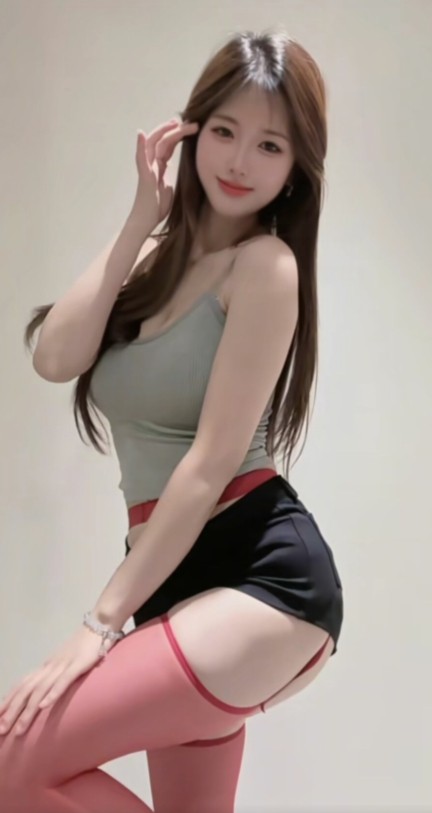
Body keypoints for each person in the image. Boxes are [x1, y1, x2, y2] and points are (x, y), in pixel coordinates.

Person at [0, 28, 343, 813]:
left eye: (269, 145)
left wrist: (100, 623)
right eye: (224, 131)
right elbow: (55, 355)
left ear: (295, 168)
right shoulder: (156, 253)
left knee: (12, 761)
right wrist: (140, 221)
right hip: (172, 576)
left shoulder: (266, 267)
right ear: (190, 130)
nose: (239, 161)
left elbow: (210, 463)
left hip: (261, 578)